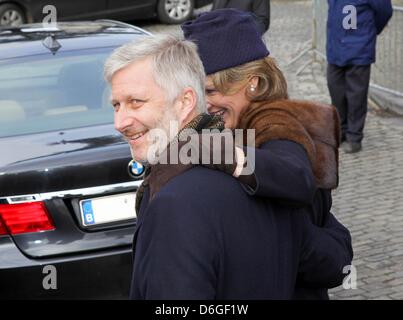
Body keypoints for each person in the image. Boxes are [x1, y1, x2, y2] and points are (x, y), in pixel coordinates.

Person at [104, 33, 352, 299]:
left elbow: (334, 256)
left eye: (136, 102)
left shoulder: (178, 199)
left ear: (186, 101)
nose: (120, 122)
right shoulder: (236, 170)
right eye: (116, 105)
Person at [181, 8, 350, 299]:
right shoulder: (219, 120)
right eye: (197, 93)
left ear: (254, 82)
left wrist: (218, 154)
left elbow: (294, 176)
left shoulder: (276, 120)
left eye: (211, 91)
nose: (204, 104)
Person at [326, 0, 393, 153]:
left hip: (359, 48)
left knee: (356, 96)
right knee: (336, 91)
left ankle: (354, 137)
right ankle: (340, 131)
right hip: (335, 48)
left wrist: (369, 29)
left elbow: (385, 11)